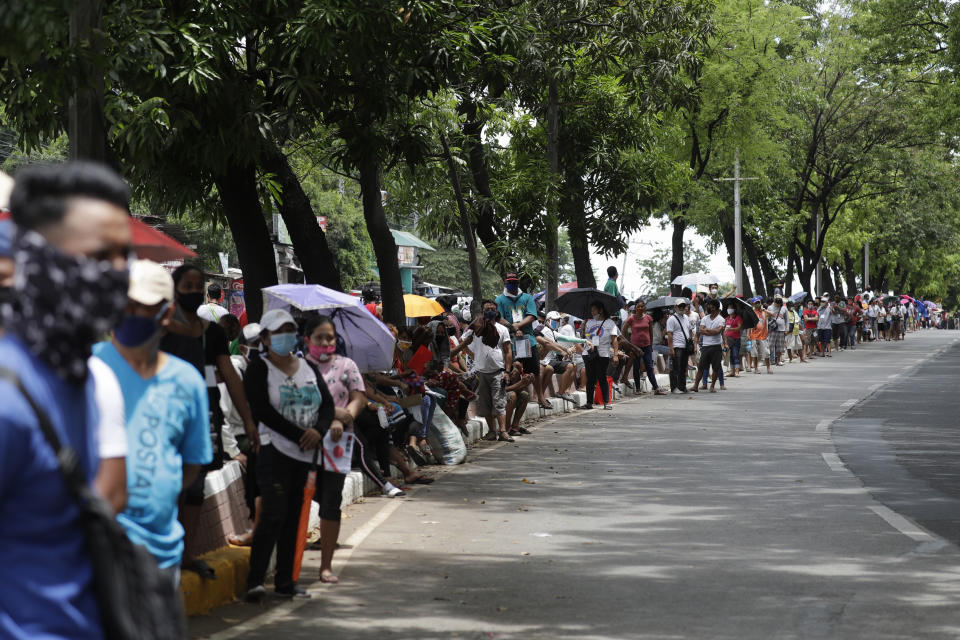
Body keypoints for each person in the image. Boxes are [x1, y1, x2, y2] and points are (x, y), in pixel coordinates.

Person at [0, 161, 133, 639]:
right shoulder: (6, 398)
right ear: (37, 259)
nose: (119, 273)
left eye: (125, 255)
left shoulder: (85, 381)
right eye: (100, 256)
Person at [93, 260, 212, 595]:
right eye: (125, 304)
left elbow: (191, 463)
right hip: (95, 549)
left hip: (159, 558)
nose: (131, 313)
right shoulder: (87, 368)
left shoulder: (186, 380)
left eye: (141, 307)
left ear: (165, 313)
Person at [161, 263, 258, 578]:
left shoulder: (213, 333)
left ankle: (186, 555)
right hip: (167, 416)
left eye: (196, 286)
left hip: (205, 417)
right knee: (169, 485)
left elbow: (229, 377)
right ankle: (167, 552)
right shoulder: (161, 329)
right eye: (185, 286)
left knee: (195, 486)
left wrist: (249, 420)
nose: (191, 291)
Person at [243, 309, 339, 601]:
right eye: (278, 331)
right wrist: (299, 434)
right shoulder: (259, 368)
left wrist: (319, 431)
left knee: (294, 518)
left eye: (289, 330)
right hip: (274, 451)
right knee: (272, 514)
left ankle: (286, 580)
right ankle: (255, 581)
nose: (285, 335)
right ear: (265, 338)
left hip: (306, 454)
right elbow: (261, 410)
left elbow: (326, 407)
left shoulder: (307, 368)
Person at [452, 299, 514, 442]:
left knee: (499, 402)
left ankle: (503, 431)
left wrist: (507, 371)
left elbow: (508, 350)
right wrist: (473, 356)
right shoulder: (475, 328)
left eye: (492, 308)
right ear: (483, 311)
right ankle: (492, 431)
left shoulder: (502, 329)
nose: (490, 311)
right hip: (480, 371)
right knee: (485, 403)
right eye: (487, 309)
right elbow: (462, 341)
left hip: (498, 371)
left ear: (497, 312)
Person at [496, 273, 548, 409]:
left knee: (534, 371)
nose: (512, 285)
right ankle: (516, 394)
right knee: (513, 368)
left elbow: (532, 316)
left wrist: (518, 326)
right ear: (505, 283)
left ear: (518, 284)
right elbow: (499, 318)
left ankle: (540, 398)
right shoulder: (500, 299)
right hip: (509, 340)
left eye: (514, 282)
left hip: (527, 340)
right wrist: (512, 328)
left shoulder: (527, 298)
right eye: (509, 282)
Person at [621, 300, 666, 395]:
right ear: (635, 308)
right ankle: (637, 389)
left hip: (647, 346)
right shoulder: (631, 319)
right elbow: (623, 330)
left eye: (642, 306)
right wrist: (627, 343)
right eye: (638, 306)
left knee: (649, 367)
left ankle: (656, 388)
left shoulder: (648, 318)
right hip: (635, 347)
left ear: (644, 308)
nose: (640, 308)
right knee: (636, 367)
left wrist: (650, 344)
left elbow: (651, 332)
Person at [581, 301, 619, 410]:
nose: (592, 312)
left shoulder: (610, 323)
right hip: (589, 353)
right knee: (590, 378)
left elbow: (614, 340)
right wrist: (583, 330)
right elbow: (586, 337)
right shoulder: (589, 323)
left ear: (600, 310)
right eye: (591, 310)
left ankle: (606, 402)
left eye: (594, 310)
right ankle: (589, 403)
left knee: (601, 377)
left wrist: (615, 355)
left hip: (603, 354)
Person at [693, 300, 725, 392]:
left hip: (716, 346)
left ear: (716, 308)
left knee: (715, 368)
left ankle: (712, 386)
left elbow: (718, 331)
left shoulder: (721, 319)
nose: (710, 308)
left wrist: (706, 330)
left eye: (712, 306)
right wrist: (711, 331)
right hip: (705, 346)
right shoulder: (704, 318)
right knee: (701, 367)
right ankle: (695, 386)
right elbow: (701, 330)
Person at [665, 300, 693, 393]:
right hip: (677, 346)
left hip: (685, 346)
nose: (682, 308)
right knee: (675, 368)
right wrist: (671, 348)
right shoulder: (671, 319)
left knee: (683, 367)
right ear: (675, 307)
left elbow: (689, 330)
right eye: (680, 306)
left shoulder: (686, 317)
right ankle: (674, 387)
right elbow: (669, 334)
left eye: (683, 306)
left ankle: (682, 387)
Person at [749, 299, 772, 373]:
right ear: (753, 304)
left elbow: (773, 314)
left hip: (763, 336)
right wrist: (748, 335)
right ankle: (756, 369)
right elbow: (749, 325)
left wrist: (765, 310)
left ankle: (768, 368)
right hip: (754, 336)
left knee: (766, 352)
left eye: (759, 303)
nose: (757, 304)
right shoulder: (752, 312)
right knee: (754, 353)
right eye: (756, 303)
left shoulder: (764, 312)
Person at [724, 305, 743, 377]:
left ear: (734, 309)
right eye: (728, 308)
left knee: (735, 354)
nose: (729, 309)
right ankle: (732, 371)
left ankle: (737, 371)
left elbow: (739, 327)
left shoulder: (737, 318)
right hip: (728, 339)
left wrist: (731, 329)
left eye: (730, 308)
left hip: (736, 339)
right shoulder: (726, 318)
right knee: (730, 355)